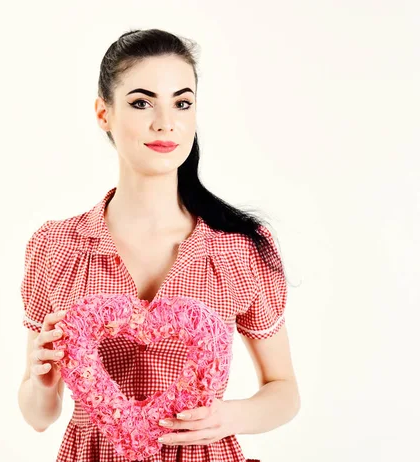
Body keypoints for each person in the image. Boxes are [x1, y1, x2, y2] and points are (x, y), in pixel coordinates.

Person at [17, 29, 300, 462]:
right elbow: (39, 416)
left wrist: (228, 417)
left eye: (182, 103)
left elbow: (284, 391)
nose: (166, 122)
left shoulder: (239, 249)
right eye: (141, 102)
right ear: (103, 113)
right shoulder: (56, 247)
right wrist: (42, 381)